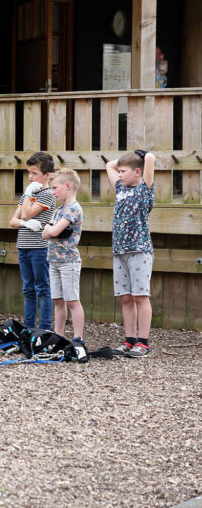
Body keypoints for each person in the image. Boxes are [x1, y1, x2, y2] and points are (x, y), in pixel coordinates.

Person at [105, 150, 156, 357]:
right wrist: (121, 163)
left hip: (139, 250)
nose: (118, 175)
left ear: (137, 172)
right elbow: (109, 165)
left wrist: (141, 156)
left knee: (140, 296)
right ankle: (130, 340)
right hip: (120, 251)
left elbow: (150, 158)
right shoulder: (119, 188)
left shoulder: (145, 190)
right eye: (119, 172)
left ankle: (143, 342)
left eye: (123, 171)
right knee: (125, 297)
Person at [9, 152, 55, 332]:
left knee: (42, 288)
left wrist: (25, 217)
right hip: (23, 246)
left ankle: (43, 327)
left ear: (46, 175)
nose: (30, 177)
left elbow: (26, 213)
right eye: (29, 173)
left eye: (35, 173)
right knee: (28, 288)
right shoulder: (28, 194)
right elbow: (13, 221)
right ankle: (28, 327)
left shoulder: (47, 195)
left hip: (39, 248)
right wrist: (25, 223)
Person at [41, 168, 85, 344]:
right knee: (58, 300)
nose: (53, 192)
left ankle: (77, 337)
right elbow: (46, 231)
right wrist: (50, 230)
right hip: (54, 261)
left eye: (54, 187)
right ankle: (58, 335)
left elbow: (54, 230)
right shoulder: (60, 210)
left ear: (68, 186)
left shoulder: (73, 209)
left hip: (69, 262)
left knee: (72, 301)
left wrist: (50, 230)